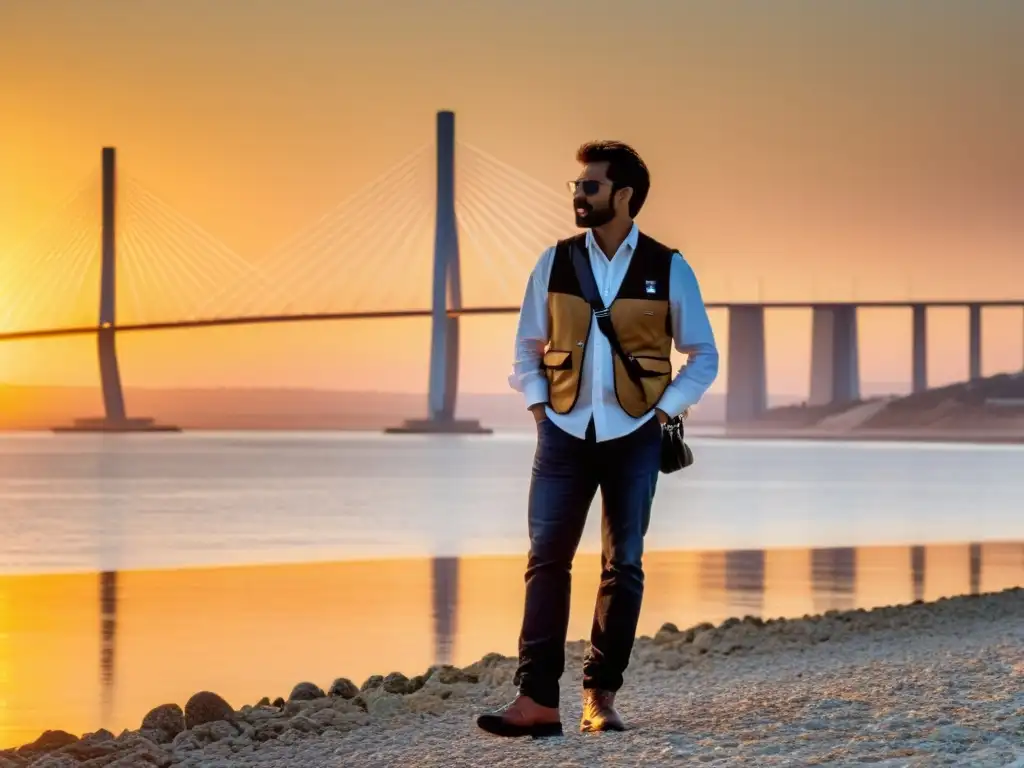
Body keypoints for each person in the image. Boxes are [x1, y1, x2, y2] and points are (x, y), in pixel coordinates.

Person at [476, 140, 719, 738]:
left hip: (635, 433)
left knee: (624, 566)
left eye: (590, 186)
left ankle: (599, 697)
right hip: (561, 432)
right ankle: (536, 702)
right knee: (546, 562)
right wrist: (538, 409)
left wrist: (663, 414)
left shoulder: (668, 267)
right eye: (577, 186)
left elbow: (703, 355)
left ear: (624, 196)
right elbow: (525, 347)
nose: (578, 195)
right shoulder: (553, 262)